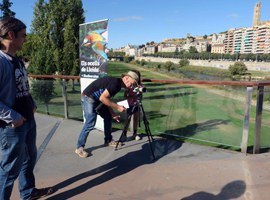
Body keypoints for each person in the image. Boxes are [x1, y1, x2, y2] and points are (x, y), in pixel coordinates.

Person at [0, 17, 54, 200]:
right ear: (10, 34)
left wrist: (32, 105)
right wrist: (12, 116)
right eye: (23, 36)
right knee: (9, 170)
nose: (25, 39)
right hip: (12, 126)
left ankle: (28, 192)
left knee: (29, 159)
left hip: (27, 120)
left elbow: (22, 87)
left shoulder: (17, 60)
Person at [75, 71, 139, 158]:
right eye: (132, 84)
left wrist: (112, 113)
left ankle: (108, 140)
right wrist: (117, 107)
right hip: (88, 98)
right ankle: (79, 147)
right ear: (127, 78)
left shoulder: (117, 85)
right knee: (90, 123)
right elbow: (103, 98)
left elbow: (106, 100)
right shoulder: (116, 83)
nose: (132, 86)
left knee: (108, 117)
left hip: (97, 99)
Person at [122, 70, 142, 141]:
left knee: (136, 118)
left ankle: (135, 133)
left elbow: (140, 96)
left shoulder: (140, 86)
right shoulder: (129, 85)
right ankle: (124, 134)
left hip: (136, 104)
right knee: (128, 118)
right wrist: (131, 96)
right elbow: (125, 96)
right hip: (130, 104)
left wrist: (139, 95)